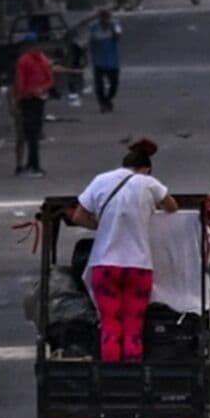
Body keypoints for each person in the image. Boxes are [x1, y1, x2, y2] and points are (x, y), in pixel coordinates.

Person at [69, 138, 181, 362]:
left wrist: (102, 224)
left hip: (105, 266)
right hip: (138, 268)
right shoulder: (147, 183)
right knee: (133, 326)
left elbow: (78, 216)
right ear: (146, 169)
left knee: (110, 324)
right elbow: (172, 207)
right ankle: (133, 376)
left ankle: (111, 376)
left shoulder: (101, 180)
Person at [12, 33, 54, 175]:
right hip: (35, 99)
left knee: (31, 133)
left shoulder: (26, 61)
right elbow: (50, 80)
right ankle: (32, 164)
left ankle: (32, 164)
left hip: (29, 100)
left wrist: (19, 100)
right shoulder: (40, 60)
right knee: (33, 133)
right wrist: (41, 89)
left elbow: (20, 83)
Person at [87, 8, 121, 112]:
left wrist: (112, 29)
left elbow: (118, 37)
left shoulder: (115, 24)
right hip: (99, 59)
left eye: (107, 19)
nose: (105, 21)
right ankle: (103, 103)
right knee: (99, 85)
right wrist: (91, 55)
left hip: (113, 60)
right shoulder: (93, 26)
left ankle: (108, 99)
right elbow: (91, 42)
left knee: (114, 84)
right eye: (102, 19)